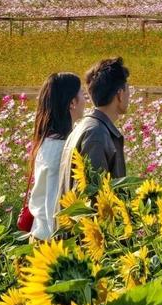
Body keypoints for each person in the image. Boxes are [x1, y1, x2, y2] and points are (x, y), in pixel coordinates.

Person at [57, 57, 130, 202]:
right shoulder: (96, 135)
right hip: (93, 224)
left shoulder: (87, 127)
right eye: (128, 89)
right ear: (120, 94)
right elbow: (93, 199)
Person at [28, 72, 85, 240]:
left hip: (39, 233)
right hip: (51, 242)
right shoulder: (62, 148)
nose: (85, 99)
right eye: (82, 93)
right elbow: (55, 205)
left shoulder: (46, 140)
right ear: (72, 103)